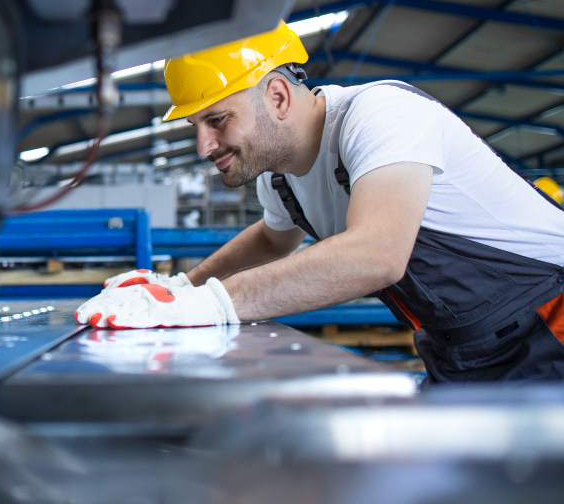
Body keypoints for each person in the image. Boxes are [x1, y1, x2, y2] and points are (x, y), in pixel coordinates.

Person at [76, 21, 564, 384]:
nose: (204, 146)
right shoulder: (281, 179)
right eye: (195, 127)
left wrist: (210, 305)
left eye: (218, 120)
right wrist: (179, 288)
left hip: (551, 325)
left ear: (279, 96)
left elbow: (377, 255)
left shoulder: (382, 115)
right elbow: (270, 238)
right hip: (464, 349)